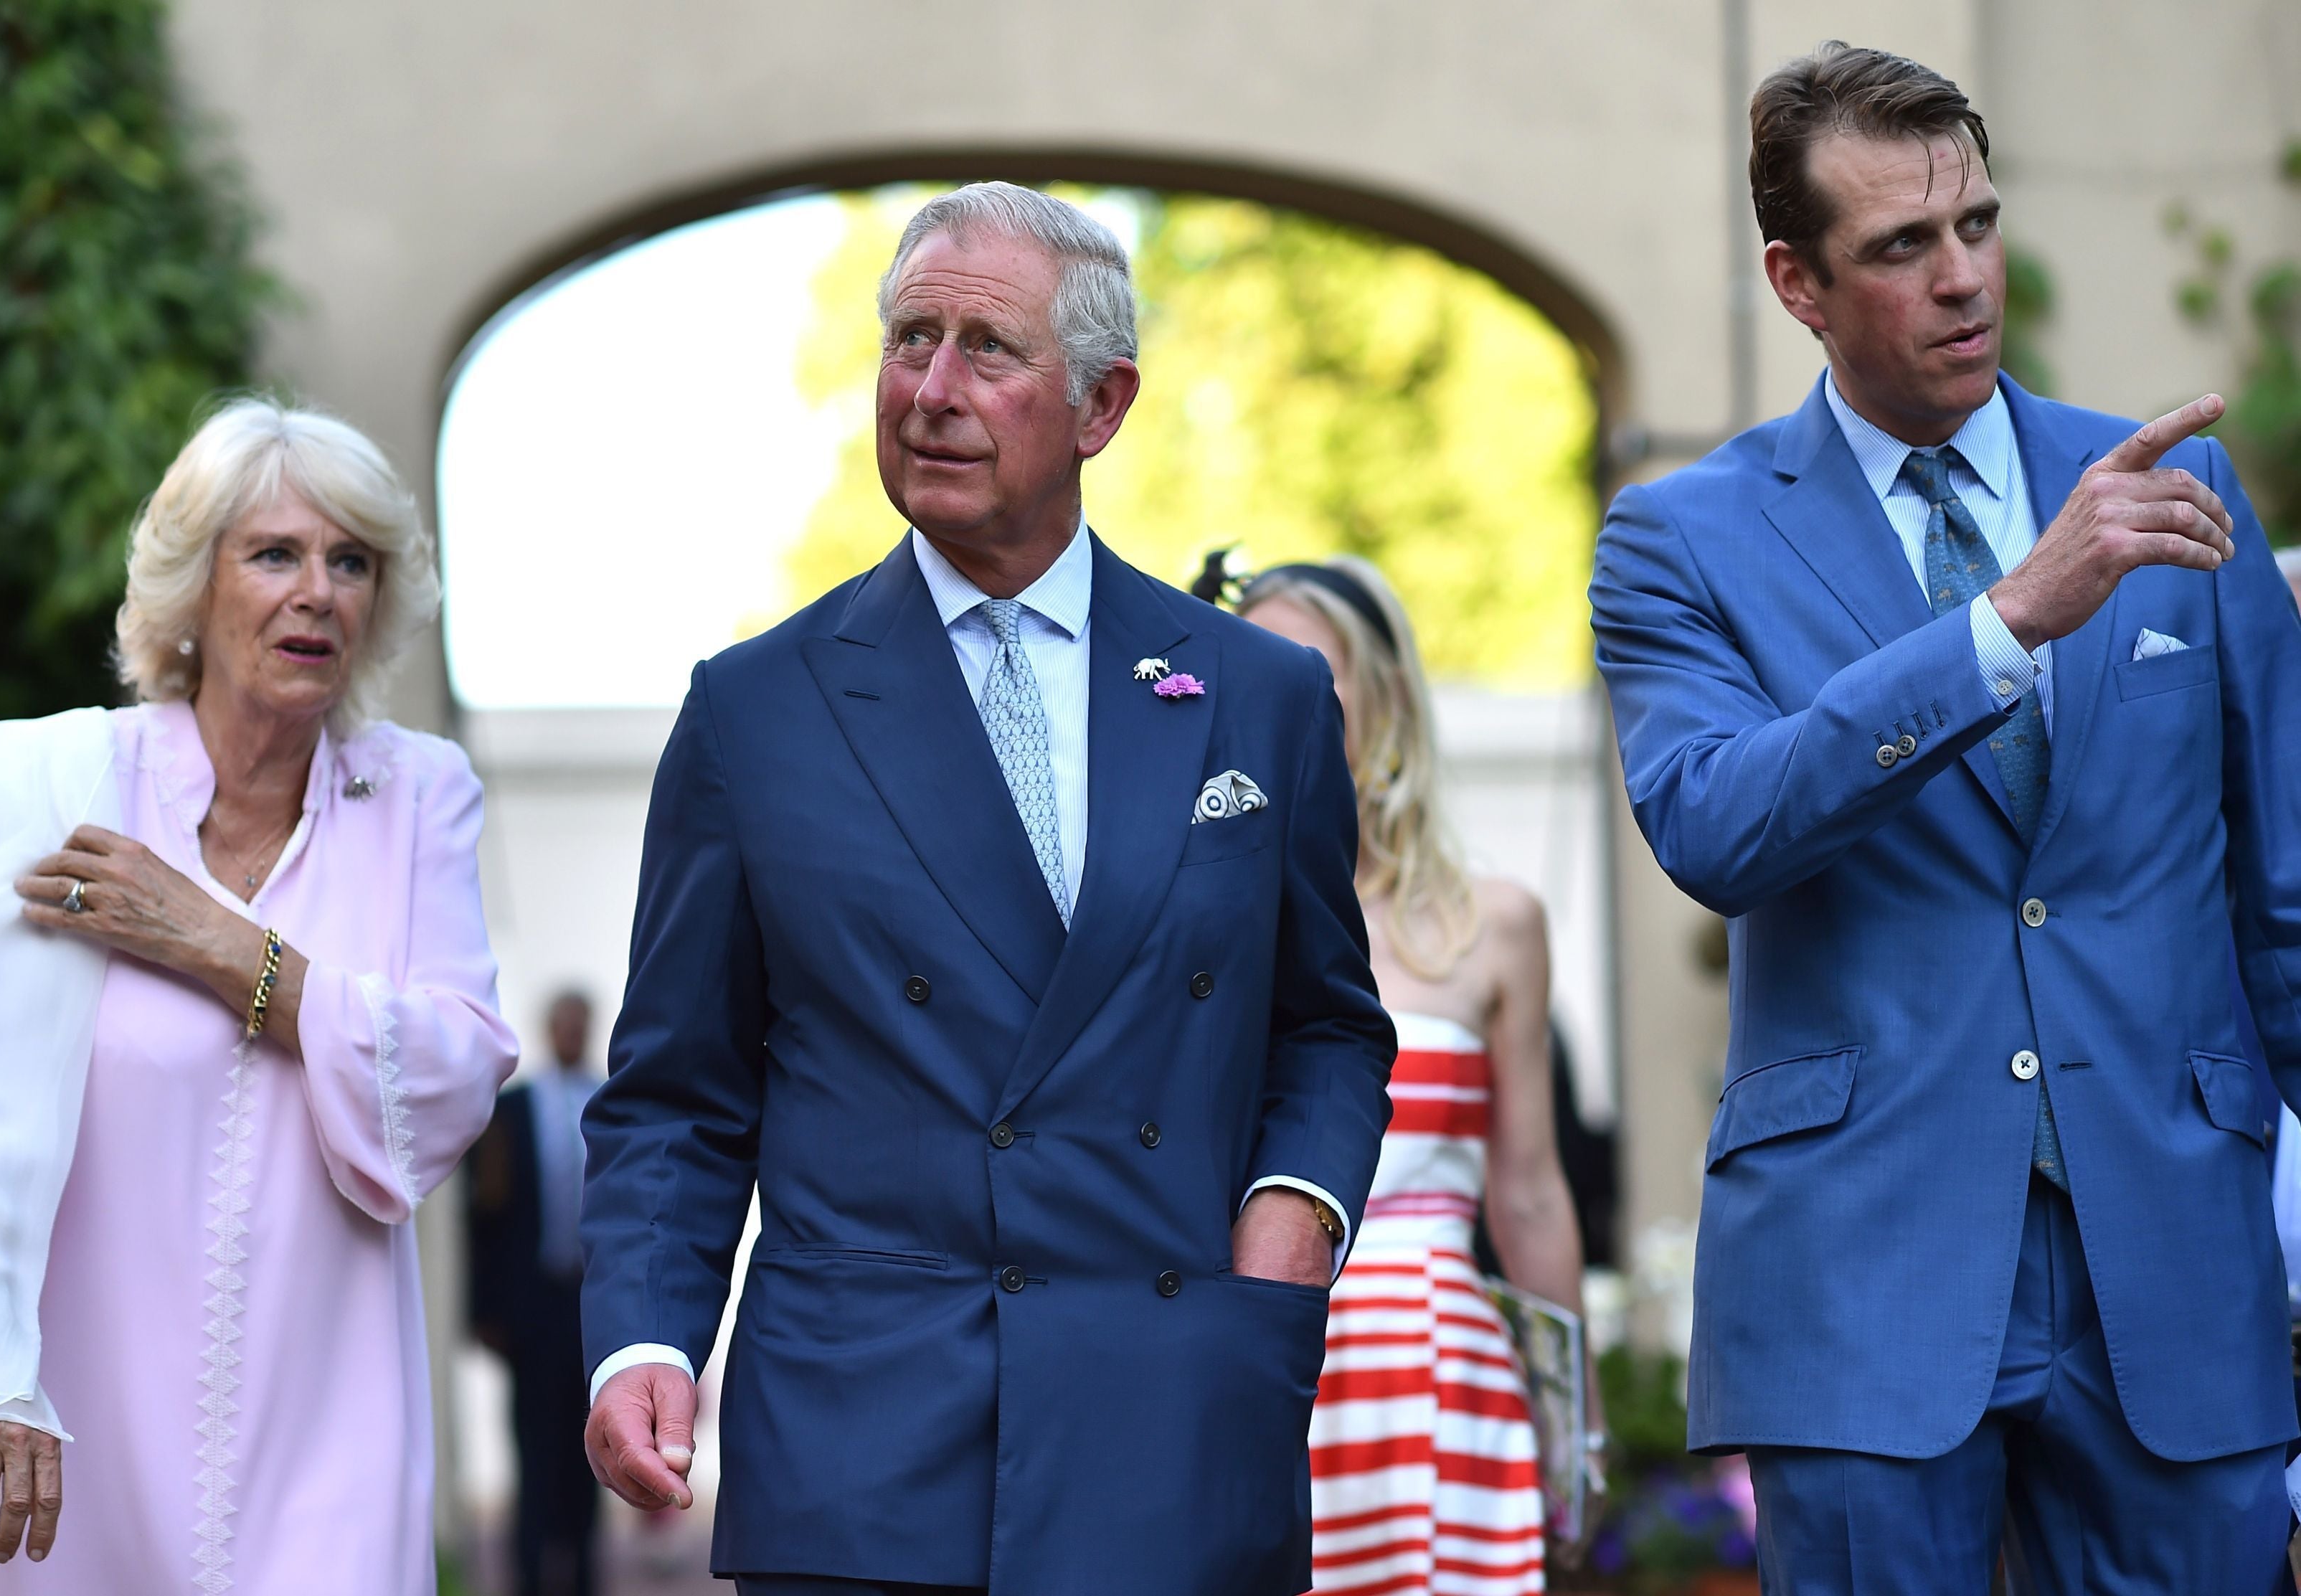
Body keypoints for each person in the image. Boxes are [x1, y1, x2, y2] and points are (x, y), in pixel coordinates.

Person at [575, 181, 1397, 1596]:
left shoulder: (1259, 696)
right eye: (910, 339)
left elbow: (1324, 1023)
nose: (932, 388)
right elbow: (677, 1093)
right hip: (865, 1451)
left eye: (986, 349)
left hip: (1170, 1419)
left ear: (1102, 403)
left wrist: (1287, 1231)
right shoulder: (752, 710)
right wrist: (644, 1336)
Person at [1589, 41, 2301, 1590]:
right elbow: (1712, 822)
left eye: (1974, 222)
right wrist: (2006, 621)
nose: (1961, 275)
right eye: (1900, 248)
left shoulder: (2177, 485)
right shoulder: (1676, 540)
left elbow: (2285, 899)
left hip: (2174, 1253)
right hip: (1864, 1270)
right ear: (1796, 281)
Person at [0, 397, 519, 1590]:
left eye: (351, 562)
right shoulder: (55, 779)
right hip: (64, 1423)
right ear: (197, 587)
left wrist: (217, 945)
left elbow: (454, 1070)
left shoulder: (418, 798)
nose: (319, 592)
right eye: (276, 555)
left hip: (328, 1428)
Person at [1240, 556, 1595, 1595]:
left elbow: (1529, 1188)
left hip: (1438, 1372)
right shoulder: (1203, 932)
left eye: (1304, 667)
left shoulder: (1495, 927)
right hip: (1260, 1365)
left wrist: (1574, 1428)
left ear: (1381, 701)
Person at [467, 990, 605, 1596]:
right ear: (551, 1028)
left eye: (581, 1022)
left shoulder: (613, 1103)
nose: (572, 1031)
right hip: (533, 1306)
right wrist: (485, 1311)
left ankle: (583, 1577)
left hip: (593, 1308)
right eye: (563, 1021)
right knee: (533, 1448)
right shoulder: (513, 1109)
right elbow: (484, 1218)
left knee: (594, 1450)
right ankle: (527, 1577)